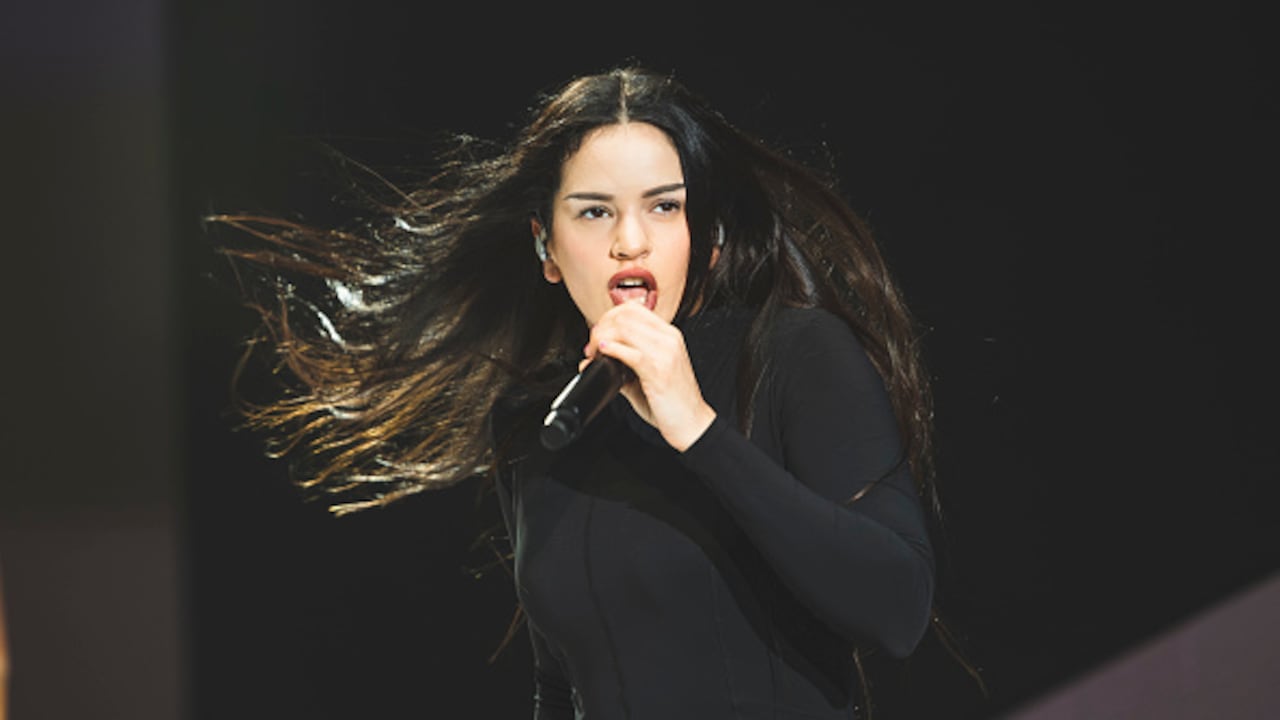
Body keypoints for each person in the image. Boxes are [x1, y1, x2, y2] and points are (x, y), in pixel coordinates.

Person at [213, 65, 948, 719]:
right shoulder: (537, 423)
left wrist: (698, 428)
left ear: (709, 235)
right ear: (547, 248)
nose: (631, 240)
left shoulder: (794, 353)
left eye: (663, 207)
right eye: (595, 212)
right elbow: (561, 680)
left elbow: (896, 609)